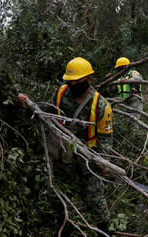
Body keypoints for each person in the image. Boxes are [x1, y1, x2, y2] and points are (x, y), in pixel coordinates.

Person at [17, 57, 113, 237]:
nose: (73, 84)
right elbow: (48, 110)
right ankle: (63, 225)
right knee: (56, 194)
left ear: (89, 80)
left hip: (87, 159)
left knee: (95, 198)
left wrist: (102, 162)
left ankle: (103, 231)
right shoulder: (61, 92)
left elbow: (106, 138)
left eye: (78, 81)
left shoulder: (100, 105)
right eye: (71, 81)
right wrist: (30, 105)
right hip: (63, 153)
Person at [110, 57, 143, 131]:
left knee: (134, 123)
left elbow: (139, 78)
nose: (118, 69)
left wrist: (128, 80)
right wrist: (110, 79)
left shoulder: (133, 73)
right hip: (125, 103)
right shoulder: (120, 76)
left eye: (119, 67)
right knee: (127, 123)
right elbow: (113, 89)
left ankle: (135, 139)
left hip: (135, 102)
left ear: (124, 66)